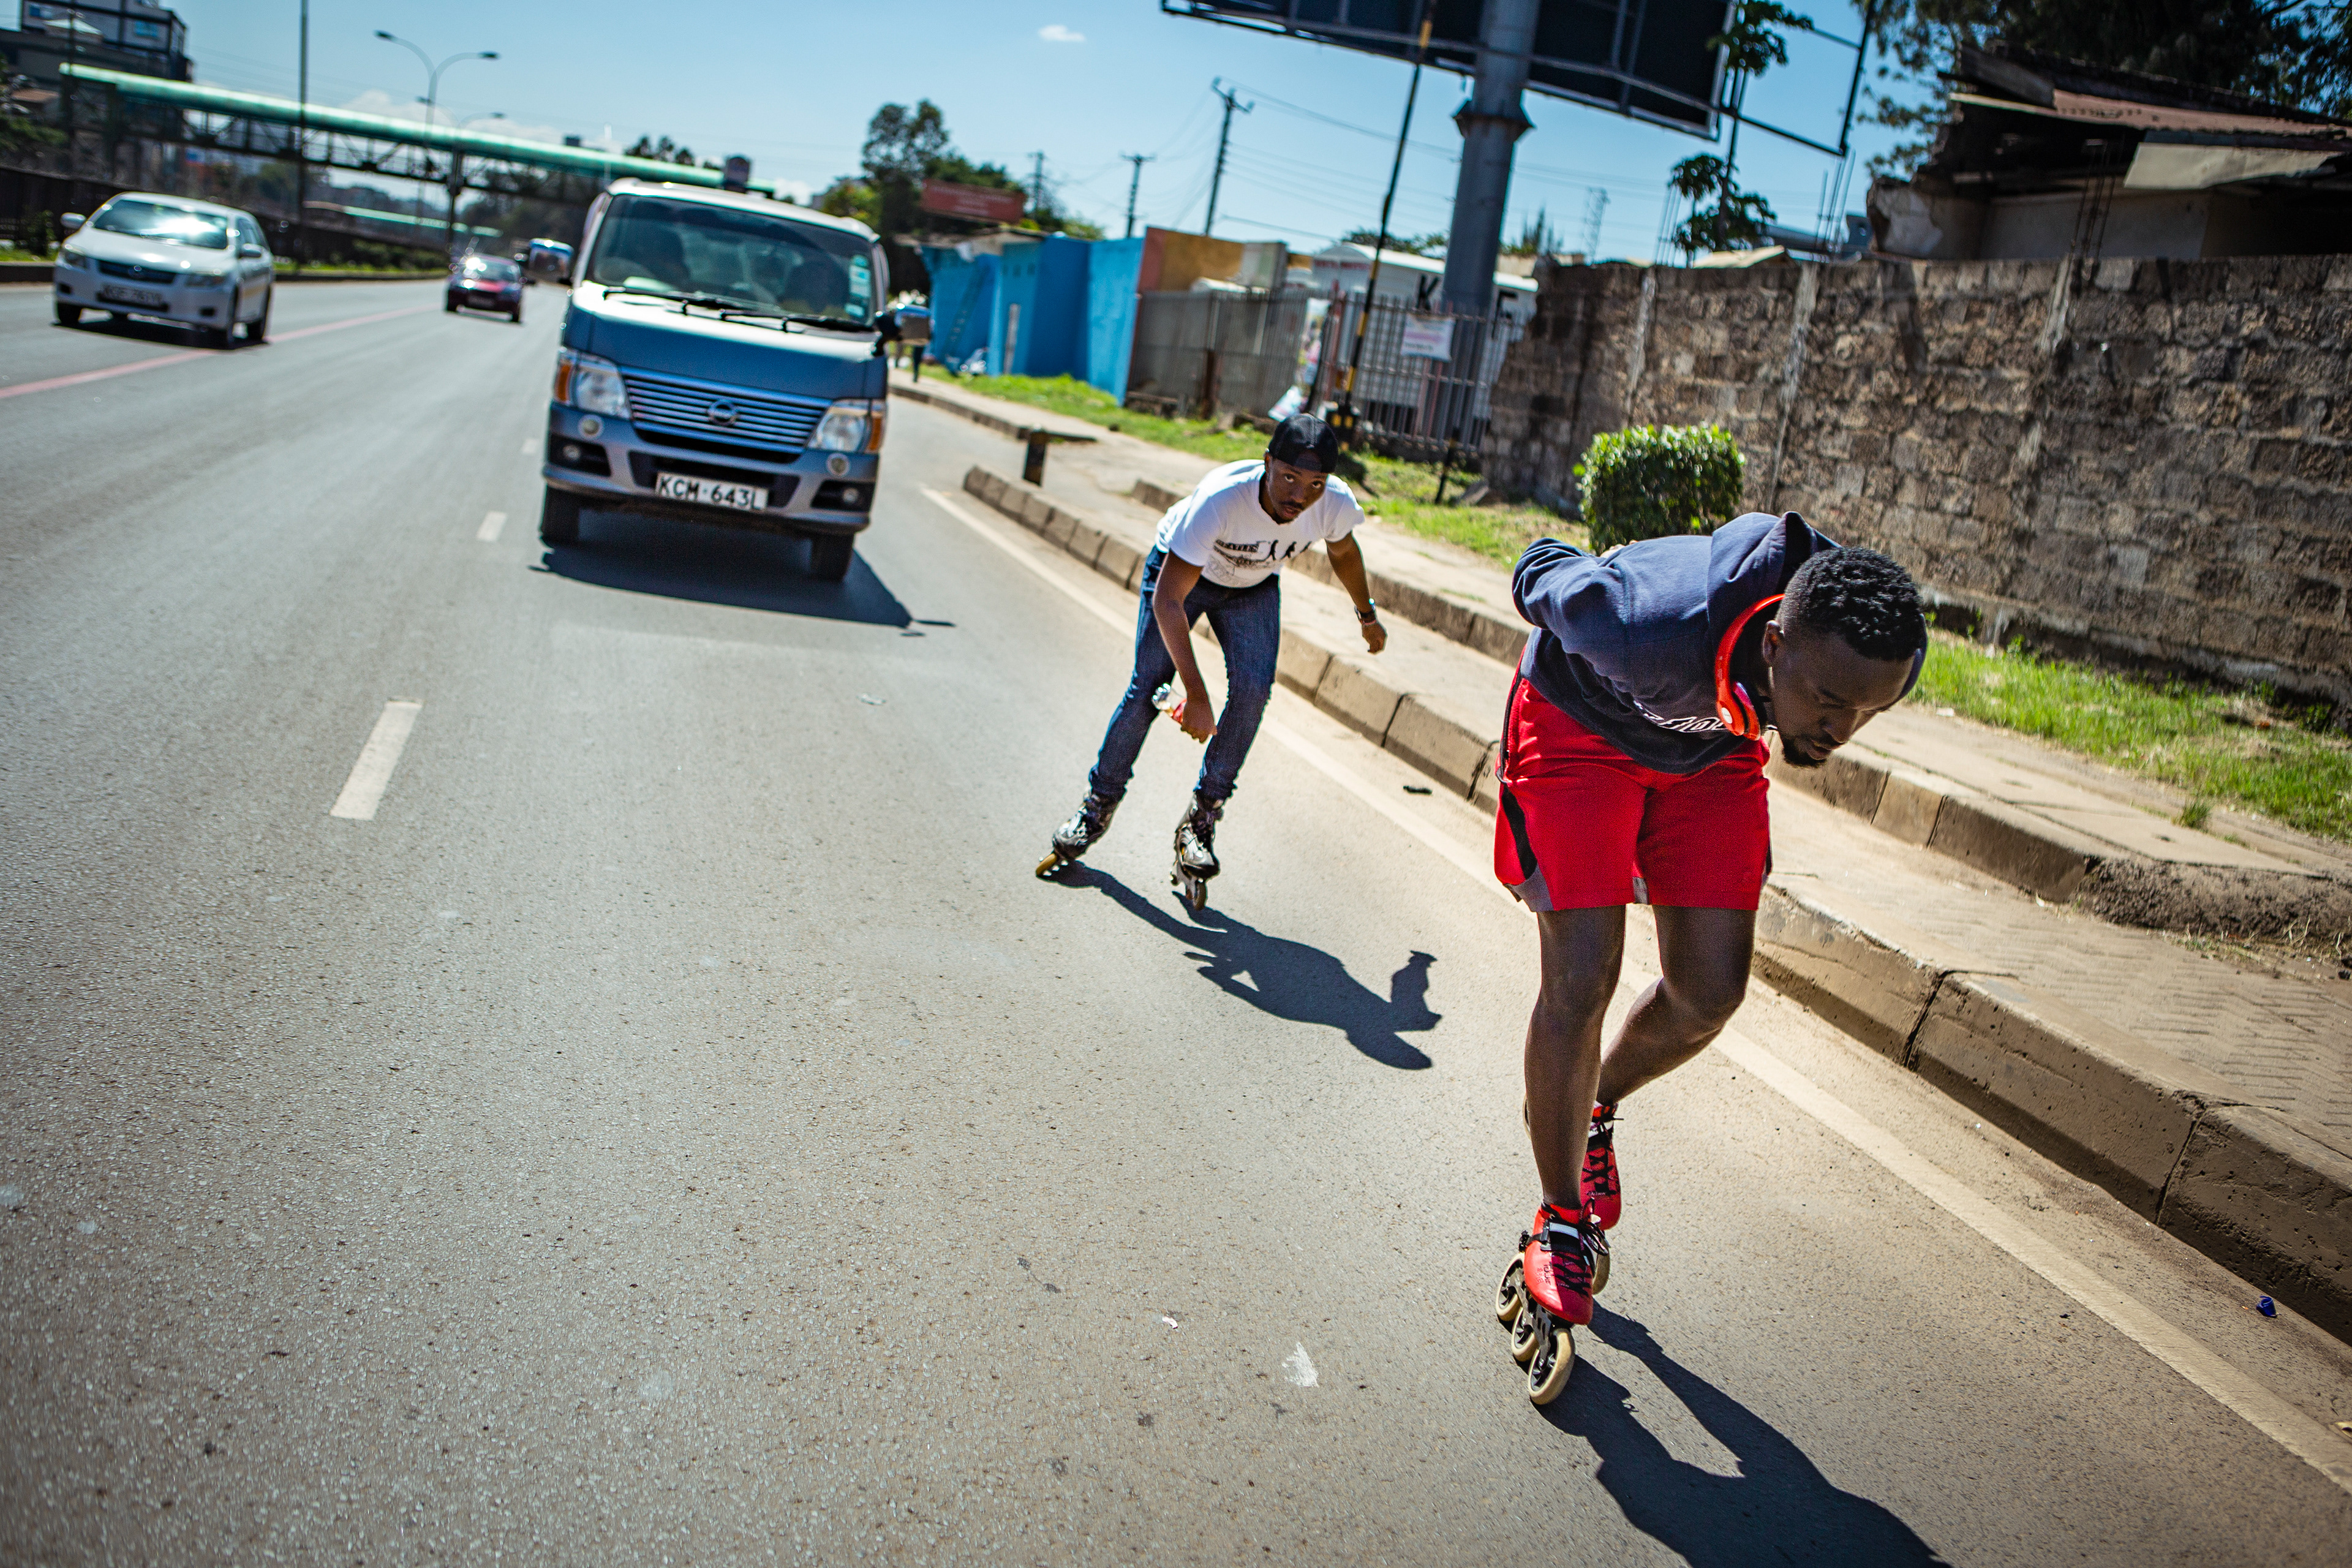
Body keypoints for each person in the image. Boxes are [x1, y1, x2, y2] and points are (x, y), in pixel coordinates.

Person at [1492, 514, 1926, 1400]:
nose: (1843, 730)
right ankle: (1560, 1220)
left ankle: (1592, 1108)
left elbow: (1832, 684)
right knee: (1583, 975)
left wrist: (1813, 704)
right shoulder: (1638, 623)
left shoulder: (1859, 638)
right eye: (1829, 702)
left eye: (1868, 712)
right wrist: (1598, 575)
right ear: (1773, 646)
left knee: (1709, 992)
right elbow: (1539, 564)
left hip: (1713, 751)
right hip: (1579, 726)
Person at [1038, 413, 1386, 903]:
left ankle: (1201, 821)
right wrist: (1197, 697)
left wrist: (1367, 615)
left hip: (1252, 588)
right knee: (1147, 688)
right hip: (1185, 579)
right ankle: (1096, 807)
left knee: (1254, 691)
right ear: (1268, 463)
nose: (1300, 496)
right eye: (1289, 477)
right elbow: (1168, 602)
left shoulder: (1333, 502)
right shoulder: (1221, 500)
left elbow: (1344, 553)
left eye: (1314, 483)